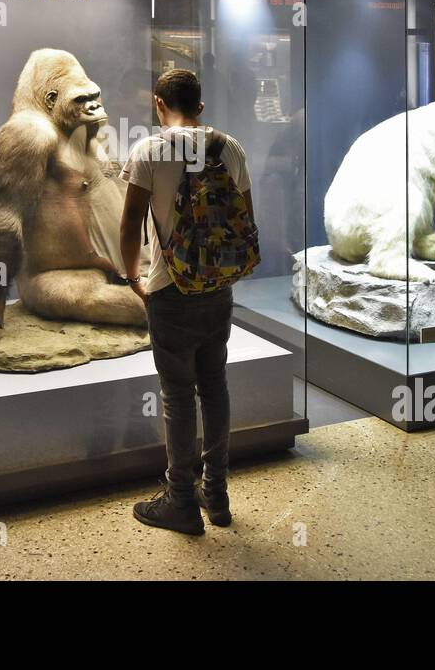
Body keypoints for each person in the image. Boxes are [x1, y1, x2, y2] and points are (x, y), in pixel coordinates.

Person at [118, 69, 254, 535]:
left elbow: (131, 218)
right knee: (214, 385)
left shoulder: (148, 152)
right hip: (218, 289)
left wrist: (131, 274)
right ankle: (215, 493)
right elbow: (246, 221)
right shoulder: (229, 148)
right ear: (200, 105)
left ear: (159, 104)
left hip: (169, 287)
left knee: (178, 396)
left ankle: (180, 500)